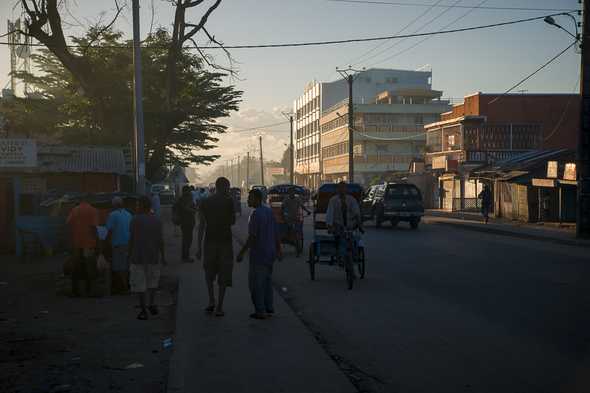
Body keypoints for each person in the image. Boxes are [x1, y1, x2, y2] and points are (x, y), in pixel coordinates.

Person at [237, 189, 282, 320]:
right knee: (267, 282)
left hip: (259, 254)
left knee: (256, 284)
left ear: (257, 199)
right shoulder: (268, 211)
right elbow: (276, 232)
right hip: (270, 253)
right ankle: (268, 307)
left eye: (250, 198)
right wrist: (278, 250)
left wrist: (241, 252)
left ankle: (260, 311)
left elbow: (252, 237)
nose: (248, 200)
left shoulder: (256, 214)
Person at [196, 177, 236, 317]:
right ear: (223, 187)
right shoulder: (229, 201)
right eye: (228, 187)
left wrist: (199, 247)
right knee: (223, 276)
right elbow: (232, 221)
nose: (229, 189)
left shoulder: (205, 202)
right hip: (224, 242)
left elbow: (201, 225)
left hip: (209, 242)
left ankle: (211, 300)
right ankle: (219, 306)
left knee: (209, 273)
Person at [128, 196, 166, 320]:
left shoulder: (135, 220)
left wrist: (129, 255)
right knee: (152, 283)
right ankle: (151, 304)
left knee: (140, 285)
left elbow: (132, 239)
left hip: (138, 257)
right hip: (153, 256)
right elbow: (161, 241)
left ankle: (144, 310)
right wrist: (163, 256)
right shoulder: (156, 221)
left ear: (140, 206)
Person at [326, 181, 362, 280]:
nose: (342, 190)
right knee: (338, 240)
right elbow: (330, 213)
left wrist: (358, 222)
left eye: (344, 188)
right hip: (338, 225)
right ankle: (338, 255)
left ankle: (353, 263)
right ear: (338, 190)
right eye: (340, 188)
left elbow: (356, 212)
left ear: (346, 189)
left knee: (352, 242)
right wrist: (329, 225)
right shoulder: (333, 200)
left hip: (350, 225)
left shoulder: (351, 200)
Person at [66, 196, 99, 297]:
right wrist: (97, 240)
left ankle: (75, 290)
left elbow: (68, 223)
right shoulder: (93, 210)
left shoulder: (74, 210)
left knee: (76, 267)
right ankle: (90, 291)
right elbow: (94, 227)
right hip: (89, 243)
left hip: (76, 243)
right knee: (90, 267)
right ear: (89, 200)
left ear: (80, 201)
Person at [105, 197, 132, 294]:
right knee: (126, 266)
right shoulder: (129, 214)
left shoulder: (112, 215)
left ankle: (123, 287)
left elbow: (109, 230)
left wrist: (106, 242)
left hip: (117, 244)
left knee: (118, 267)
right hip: (128, 243)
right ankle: (127, 285)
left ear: (114, 205)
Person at [281, 187, 310, 257]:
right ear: (289, 193)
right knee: (287, 229)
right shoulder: (286, 199)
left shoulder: (297, 199)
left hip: (296, 218)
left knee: (298, 232)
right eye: (291, 192)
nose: (292, 193)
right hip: (288, 218)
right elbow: (283, 207)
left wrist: (307, 211)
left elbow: (302, 206)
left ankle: (298, 246)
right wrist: (283, 213)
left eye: (293, 192)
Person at [176, 185, 197, 262]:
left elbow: (193, 206)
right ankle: (185, 257)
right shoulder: (182, 199)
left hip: (189, 222)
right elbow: (185, 208)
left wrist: (193, 208)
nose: (189, 192)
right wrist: (192, 210)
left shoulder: (187, 198)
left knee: (188, 239)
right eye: (188, 191)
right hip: (186, 222)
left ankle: (185, 256)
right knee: (187, 240)